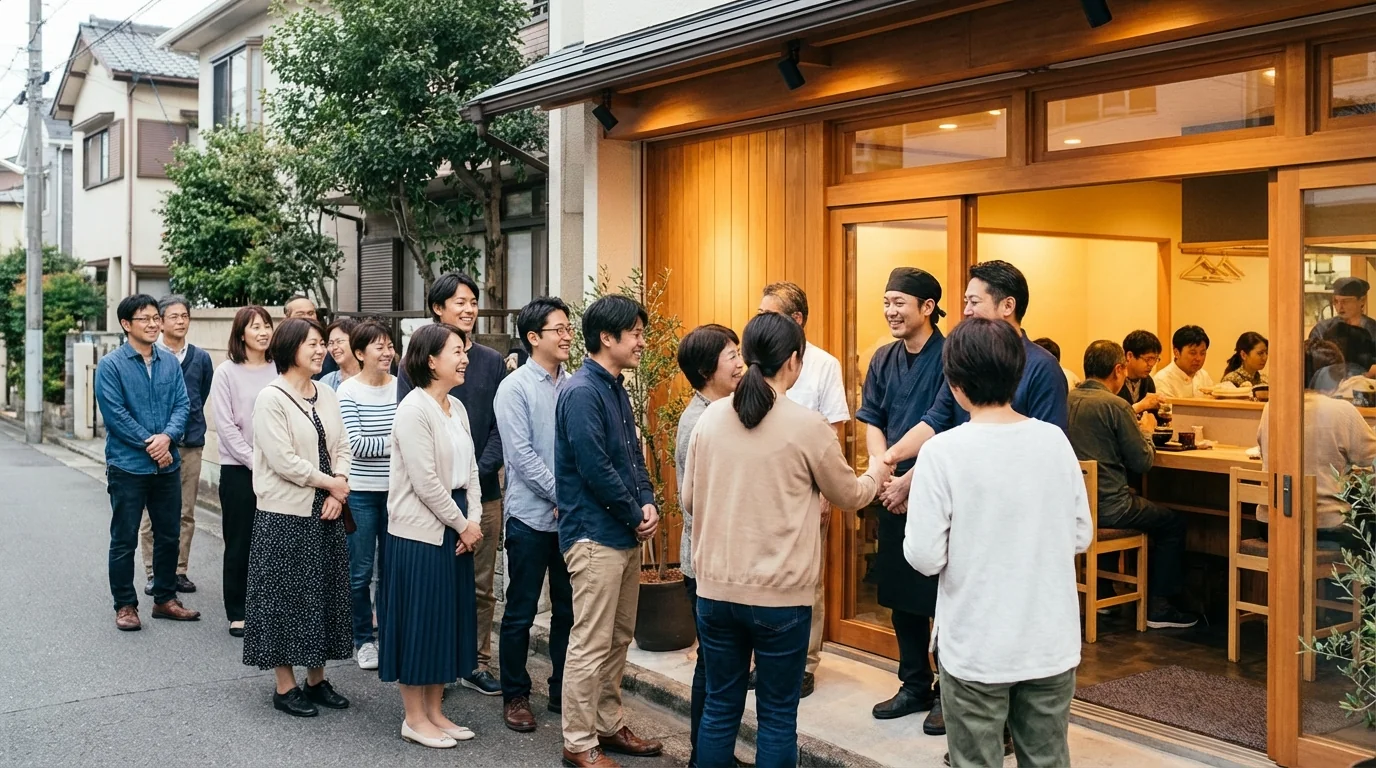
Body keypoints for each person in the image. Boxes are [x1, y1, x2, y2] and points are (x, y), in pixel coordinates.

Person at [682, 311, 887, 768]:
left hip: (715, 593)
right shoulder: (807, 425)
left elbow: (689, 499)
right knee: (776, 717)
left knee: (719, 707)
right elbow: (850, 495)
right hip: (780, 598)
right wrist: (876, 471)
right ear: (793, 360)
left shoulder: (711, 418)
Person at [879, 260, 1068, 739]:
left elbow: (1042, 454)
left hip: (1009, 521)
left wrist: (915, 477)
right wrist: (892, 464)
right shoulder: (964, 359)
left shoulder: (1042, 370)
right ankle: (932, 691)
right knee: (936, 602)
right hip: (955, 507)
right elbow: (938, 422)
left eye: (972, 301)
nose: (962, 310)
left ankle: (984, 717)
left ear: (1008, 306)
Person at [904, 318, 1091, 768]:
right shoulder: (1054, 441)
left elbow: (924, 555)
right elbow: (1081, 534)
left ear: (955, 385)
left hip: (975, 642)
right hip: (1049, 640)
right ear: (1016, 374)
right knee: (1047, 759)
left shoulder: (942, 452)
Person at [556, 295, 663, 768]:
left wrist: (648, 500)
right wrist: (634, 513)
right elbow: (594, 467)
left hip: (621, 531)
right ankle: (579, 742)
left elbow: (633, 457)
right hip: (593, 535)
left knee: (619, 638)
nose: (642, 342)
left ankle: (608, 724)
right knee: (591, 642)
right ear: (606, 337)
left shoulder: (616, 389)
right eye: (635, 334)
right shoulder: (582, 391)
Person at [397, 272, 505, 695]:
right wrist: (454, 501)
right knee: (438, 589)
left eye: (473, 301)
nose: (469, 308)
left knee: (479, 586)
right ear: (438, 308)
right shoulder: (415, 363)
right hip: (433, 502)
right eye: (460, 301)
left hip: (481, 494)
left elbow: (499, 429)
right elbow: (415, 442)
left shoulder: (492, 361)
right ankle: (438, 666)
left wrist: (475, 477)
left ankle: (476, 661)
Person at [379, 323, 485, 749]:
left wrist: (473, 518)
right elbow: (424, 481)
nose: (465, 358)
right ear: (430, 360)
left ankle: (436, 712)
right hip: (420, 532)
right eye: (456, 351)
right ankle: (414, 718)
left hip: (457, 523)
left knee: (446, 621)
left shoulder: (455, 407)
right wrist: (463, 525)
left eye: (464, 350)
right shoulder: (413, 409)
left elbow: (472, 470)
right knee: (419, 623)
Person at [245, 317, 354, 717]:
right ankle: (284, 686)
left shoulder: (328, 393)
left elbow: (343, 445)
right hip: (285, 514)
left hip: (325, 510)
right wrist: (332, 485)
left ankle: (317, 680)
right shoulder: (270, 398)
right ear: (290, 348)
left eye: (322, 342)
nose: (321, 349)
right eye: (313, 343)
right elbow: (284, 461)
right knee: (283, 599)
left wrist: (339, 486)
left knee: (320, 595)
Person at [856, 268, 949, 727]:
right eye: (887, 301)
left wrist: (910, 479)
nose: (891, 311)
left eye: (899, 303)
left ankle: (949, 694)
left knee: (943, 598)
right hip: (893, 488)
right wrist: (883, 473)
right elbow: (873, 417)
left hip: (936, 487)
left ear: (927, 307)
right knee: (899, 594)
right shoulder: (883, 357)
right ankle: (913, 684)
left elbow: (945, 423)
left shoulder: (950, 356)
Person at [758, 281, 849, 698]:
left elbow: (834, 431)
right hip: (764, 487)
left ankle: (806, 662)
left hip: (808, 489)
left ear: (796, 319)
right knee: (763, 573)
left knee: (807, 579)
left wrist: (828, 494)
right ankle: (764, 658)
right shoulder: (757, 360)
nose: (761, 320)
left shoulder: (824, 364)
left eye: (770, 314)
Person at [1068, 341, 1197, 629]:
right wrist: (1147, 432)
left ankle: (1103, 591)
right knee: (1173, 523)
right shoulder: (1116, 406)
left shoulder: (1066, 399)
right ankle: (1160, 607)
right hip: (1111, 508)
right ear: (1118, 369)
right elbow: (1143, 462)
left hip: (1076, 506)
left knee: (1133, 496)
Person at [495, 297, 577, 733]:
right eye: (558, 329)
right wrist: (562, 493)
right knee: (520, 612)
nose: (567, 336)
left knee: (568, 611)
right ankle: (515, 695)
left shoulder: (574, 385)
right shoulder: (514, 388)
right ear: (533, 337)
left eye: (568, 328)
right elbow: (521, 456)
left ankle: (563, 690)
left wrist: (573, 500)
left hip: (570, 521)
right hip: (528, 518)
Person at [94, 294, 200, 631]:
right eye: (145, 319)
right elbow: (116, 416)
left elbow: (183, 405)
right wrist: (153, 445)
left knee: (168, 535)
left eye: (156, 318)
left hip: (167, 465)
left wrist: (167, 437)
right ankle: (125, 605)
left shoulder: (169, 362)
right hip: (127, 466)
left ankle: (165, 599)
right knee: (124, 538)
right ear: (126, 324)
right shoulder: (111, 365)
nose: (154, 324)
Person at [673, 322, 745, 765]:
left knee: (719, 668)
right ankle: (705, 756)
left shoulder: (725, 410)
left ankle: (711, 754)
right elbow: (696, 504)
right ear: (705, 370)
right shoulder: (698, 421)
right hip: (705, 564)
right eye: (731, 355)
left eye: (739, 353)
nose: (740, 363)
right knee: (716, 669)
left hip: (719, 561)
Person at [137, 295, 213, 596]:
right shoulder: (148, 354)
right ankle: (154, 571)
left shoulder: (201, 358)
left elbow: (199, 396)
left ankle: (179, 570)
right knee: (151, 513)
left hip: (190, 443)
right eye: (174, 316)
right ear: (160, 321)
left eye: (185, 316)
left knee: (186, 511)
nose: (181, 321)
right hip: (155, 445)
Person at [1259, 340, 1376, 535]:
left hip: (1271, 525)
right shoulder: (1342, 410)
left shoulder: (1271, 407)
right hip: (1326, 526)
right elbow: (1371, 457)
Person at [211, 306, 278, 637]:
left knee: (276, 542)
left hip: (281, 470)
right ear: (241, 334)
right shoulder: (226, 372)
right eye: (255, 327)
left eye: (267, 325)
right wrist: (255, 462)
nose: (264, 332)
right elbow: (226, 427)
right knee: (240, 541)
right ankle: (238, 611)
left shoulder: (281, 367)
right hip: (239, 470)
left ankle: (270, 607)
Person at [336, 320, 398, 671]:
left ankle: (389, 637)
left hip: (397, 492)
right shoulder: (348, 392)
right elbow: (357, 445)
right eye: (380, 346)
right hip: (360, 492)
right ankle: (363, 639)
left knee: (391, 570)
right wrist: (398, 441)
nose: (388, 352)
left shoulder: (402, 387)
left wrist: (392, 443)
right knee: (359, 572)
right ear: (360, 353)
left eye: (390, 345)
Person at [1309, 277, 1376, 360]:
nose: (1339, 306)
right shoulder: (1322, 329)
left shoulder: (1373, 329)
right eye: (1336, 301)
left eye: (1345, 301)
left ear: (1362, 300)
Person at [1153, 325, 1215, 399]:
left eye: (1202, 353)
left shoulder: (1204, 376)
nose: (1198, 358)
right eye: (1193, 353)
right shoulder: (1162, 380)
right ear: (1176, 353)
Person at [1119, 330, 1162, 419]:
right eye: (1148, 359)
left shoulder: (1148, 381)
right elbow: (1113, 416)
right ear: (1129, 356)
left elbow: (1152, 414)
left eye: (1155, 359)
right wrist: (1140, 406)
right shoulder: (1115, 379)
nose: (1151, 364)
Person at [320, 318, 362, 390]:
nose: (334, 347)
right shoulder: (326, 382)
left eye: (339, 341)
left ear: (355, 342)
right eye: (331, 343)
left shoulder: (374, 379)